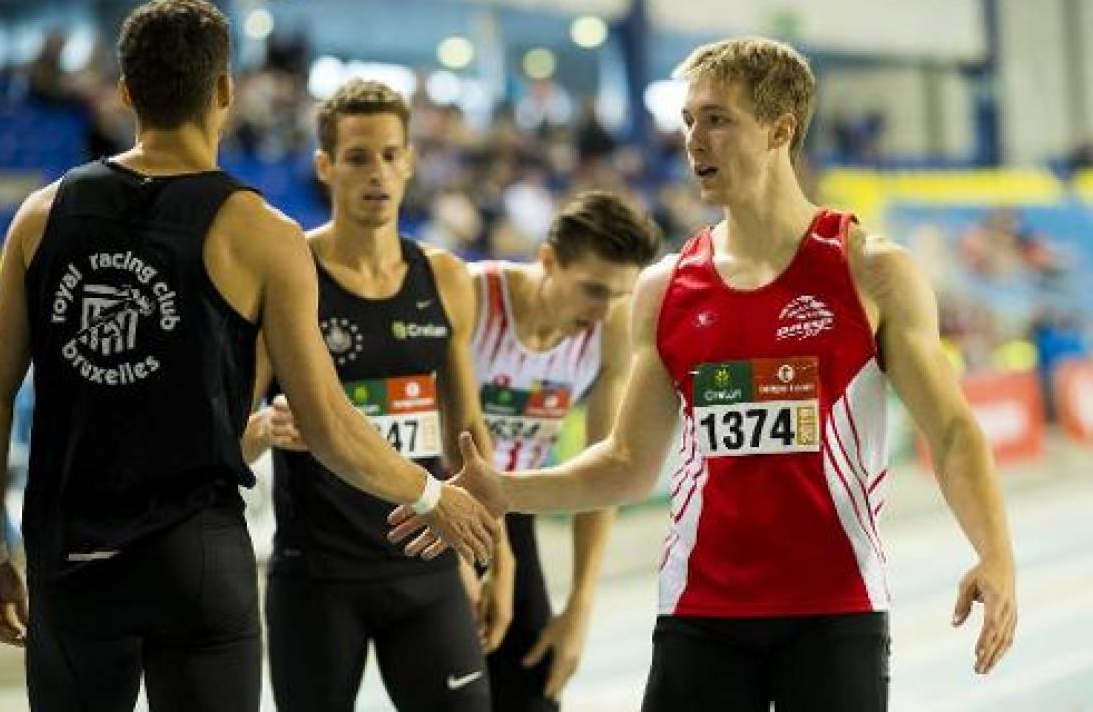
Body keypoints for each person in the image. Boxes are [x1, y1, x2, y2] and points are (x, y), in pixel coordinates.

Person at [391, 36, 1018, 711]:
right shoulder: (666, 288)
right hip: (700, 615)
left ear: (781, 130)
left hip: (835, 613)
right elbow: (629, 462)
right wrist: (503, 490)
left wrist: (995, 553)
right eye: (688, 120)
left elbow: (952, 432)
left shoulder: (869, 271)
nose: (693, 139)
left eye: (717, 118)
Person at [0, 0, 495, 712]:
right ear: (224, 92)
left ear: (125, 93)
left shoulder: (42, 214)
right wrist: (433, 494)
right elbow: (329, 424)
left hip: (74, 557)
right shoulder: (265, 234)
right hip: (198, 559)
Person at [240, 79, 510, 712]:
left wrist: (500, 558)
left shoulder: (444, 275)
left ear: (411, 161)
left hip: (427, 567)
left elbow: (467, 428)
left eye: (391, 155)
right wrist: (261, 431)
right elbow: (232, 426)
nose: (377, 173)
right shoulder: (288, 273)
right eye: (359, 157)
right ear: (325, 165)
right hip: (317, 579)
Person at [470, 190, 660, 710]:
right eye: (593, 291)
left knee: (536, 692)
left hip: (512, 516)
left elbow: (608, 467)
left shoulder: (609, 329)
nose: (603, 312)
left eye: (618, 295)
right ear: (548, 260)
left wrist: (579, 607)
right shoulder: (473, 296)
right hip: (433, 514)